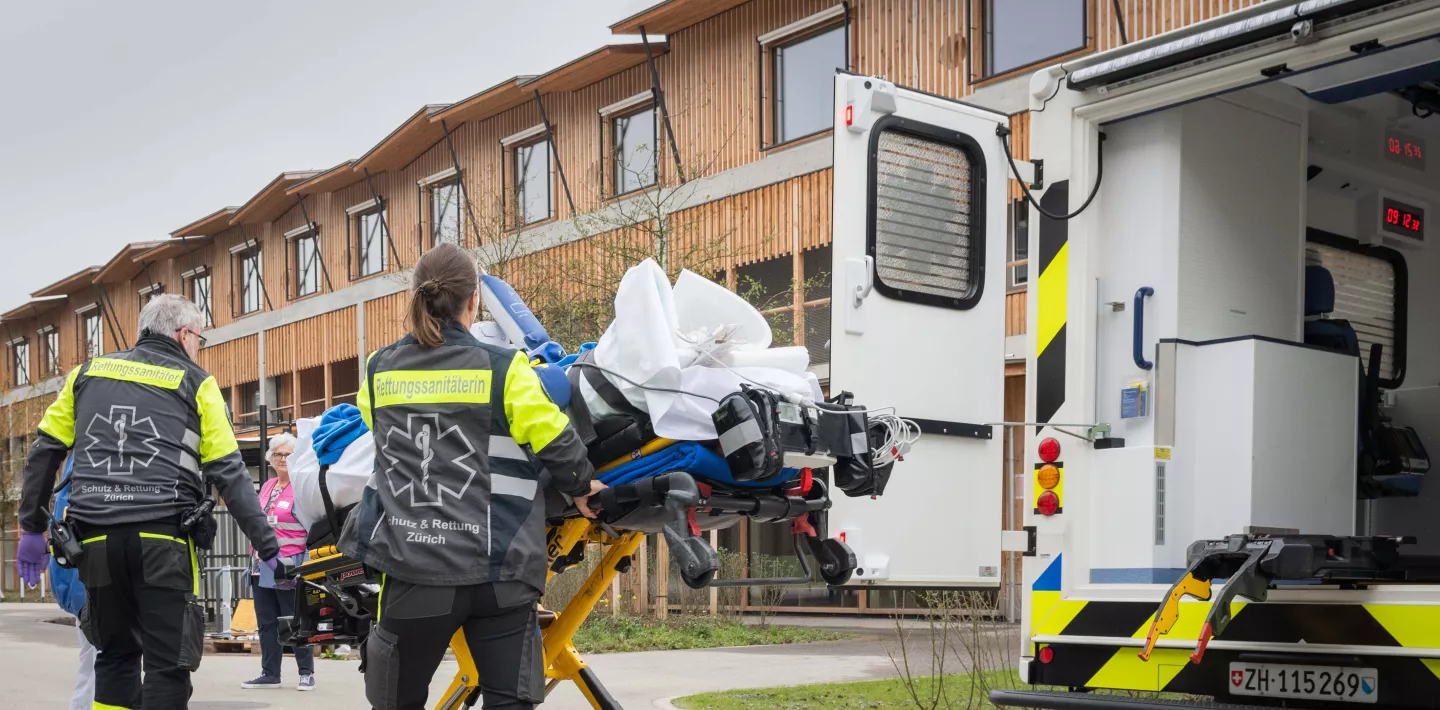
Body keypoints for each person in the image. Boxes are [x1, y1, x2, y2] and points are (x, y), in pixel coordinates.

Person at [338, 243, 604, 710]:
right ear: (473, 301)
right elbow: (555, 438)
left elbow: (374, 423)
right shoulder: (506, 370)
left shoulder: (379, 370)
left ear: (417, 296)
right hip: (498, 573)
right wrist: (585, 487)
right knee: (510, 701)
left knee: (394, 699)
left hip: (416, 566)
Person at [16, 294, 283, 710]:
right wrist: (267, 545)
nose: (199, 347)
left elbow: (44, 451)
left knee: (115, 657)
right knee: (167, 666)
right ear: (183, 334)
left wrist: (32, 527)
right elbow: (229, 472)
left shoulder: (86, 375)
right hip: (164, 543)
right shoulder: (197, 382)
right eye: (200, 338)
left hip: (96, 544)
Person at [241, 432, 316, 691]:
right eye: (278, 454)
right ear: (271, 459)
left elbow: (312, 528)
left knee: (294, 618)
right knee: (267, 622)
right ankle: (270, 673)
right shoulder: (267, 486)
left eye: (288, 455)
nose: (283, 459)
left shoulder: (303, 487)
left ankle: (306, 673)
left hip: (289, 564)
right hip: (261, 564)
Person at [49, 456, 96, 710]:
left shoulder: (77, 461)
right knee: (103, 664)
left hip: (84, 584)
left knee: (93, 664)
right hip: (95, 584)